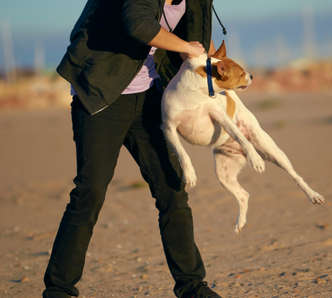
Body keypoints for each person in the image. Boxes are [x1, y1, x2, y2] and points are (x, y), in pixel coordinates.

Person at [42, 0, 222, 297]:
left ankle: (192, 287)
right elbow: (138, 25)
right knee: (90, 192)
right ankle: (59, 289)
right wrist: (187, 48)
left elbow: (197, 39)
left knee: (172, 188)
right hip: (101, 92)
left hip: (150, 94)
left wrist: (214, 66)